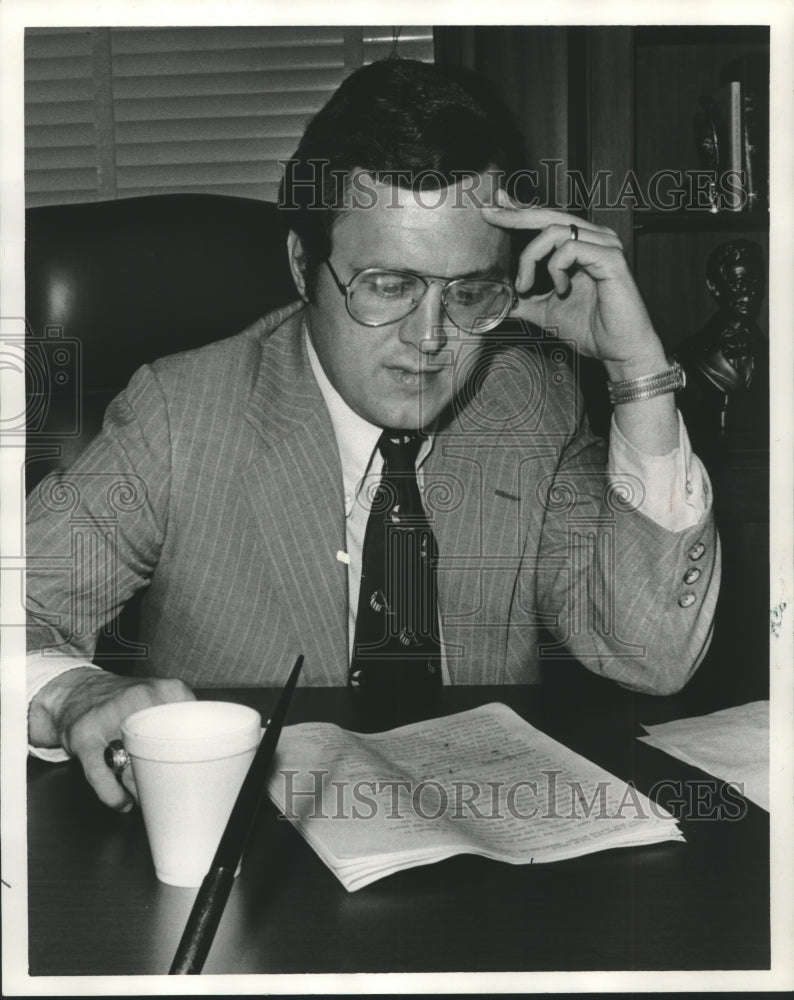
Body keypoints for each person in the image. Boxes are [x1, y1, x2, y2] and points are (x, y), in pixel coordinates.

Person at [26, 58, 719, 811]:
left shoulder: (527, 403)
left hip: (483, 869)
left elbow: (651, 656)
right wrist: (72, 689)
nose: (429, 338)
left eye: (467, 292)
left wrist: (637, 372)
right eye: (388, 286)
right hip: (252, 871)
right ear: (302, 266)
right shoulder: (182, 413)